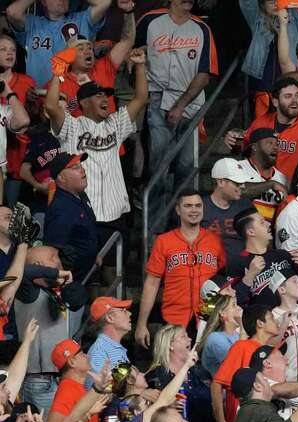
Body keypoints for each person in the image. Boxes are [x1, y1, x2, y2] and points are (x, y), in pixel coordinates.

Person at [45, 45, 148, 228]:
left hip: (116, 211)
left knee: (116, 255)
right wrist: (57, 73)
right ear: (83, 102)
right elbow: (52, 107)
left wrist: (140, 66)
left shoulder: (116, 123)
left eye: (106, 96)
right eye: (98, 96)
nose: (105, 100)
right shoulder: (72, 126)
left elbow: (140, 98)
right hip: (84, 213)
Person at [135, 0, 219, 215]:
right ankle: (153, 228)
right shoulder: (150, 20)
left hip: (190, 104)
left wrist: (181, 105)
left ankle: (180, 223)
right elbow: (132, 49)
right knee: (158, 166)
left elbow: (205, 74)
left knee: (186, 168)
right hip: (157, 97)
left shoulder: (202, 28)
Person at [136, 190, 226, 347]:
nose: (194, 210)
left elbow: (223, 276)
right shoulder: (164, 241)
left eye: (198, 206)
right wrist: (141, 324)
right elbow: (152, 283)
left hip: (209, 319)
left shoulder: (215, 240)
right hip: (174, 318)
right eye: (188, 206)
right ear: (178, 210)